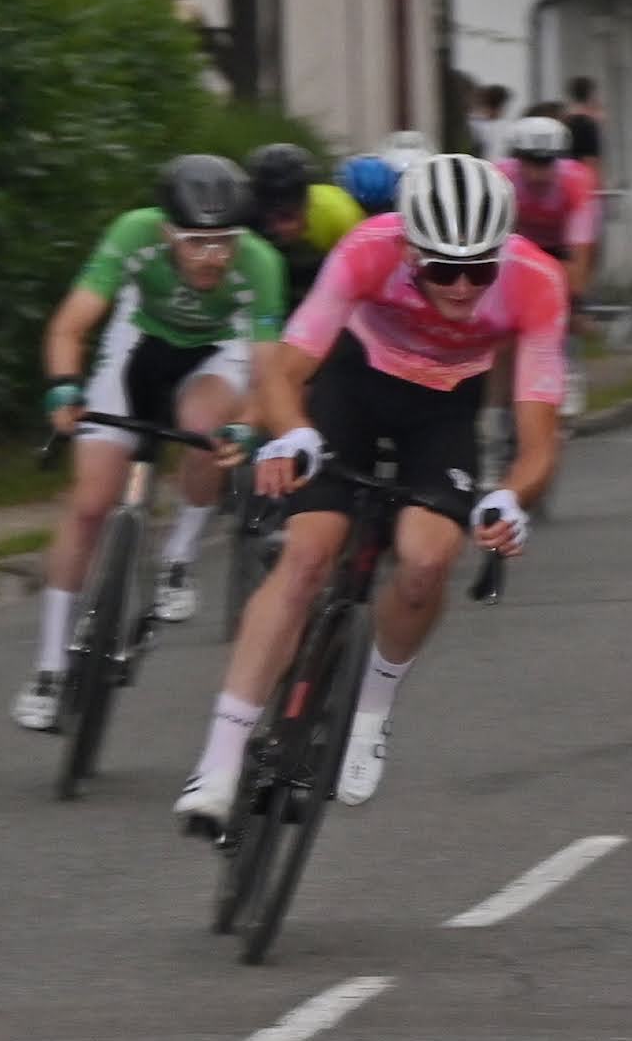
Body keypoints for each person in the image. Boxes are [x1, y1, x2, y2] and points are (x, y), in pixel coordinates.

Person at [176, 154, 566, 829]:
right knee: (307, 557)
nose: (462, 286)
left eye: (479, 270)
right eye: (442, 269)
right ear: (409, 248)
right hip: (357, 384)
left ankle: (370, 715)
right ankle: (218, 762)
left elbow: (538, 440)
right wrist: (295, 434)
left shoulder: (535, 282)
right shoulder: (368, 248)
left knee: (425, 563)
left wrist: (508, 497)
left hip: (446, 405)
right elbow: (285, 371)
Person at [18, 155, 281, 730]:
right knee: (90, 504)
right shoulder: (133, 233)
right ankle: (48, 669)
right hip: (141, 343)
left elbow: (270, 373)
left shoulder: (260, 263)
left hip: (216, 354)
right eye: (195, 243)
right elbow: (69, 325)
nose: (212, 257)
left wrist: (246, 425)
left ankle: (178, 558)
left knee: (205, 430)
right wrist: (64, 388)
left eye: (224, 243)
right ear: (166, 232)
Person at [241, 140, 359, 316]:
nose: (279, 228)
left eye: (287, 216)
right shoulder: (243, 215)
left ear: (307, 201)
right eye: (270, 217)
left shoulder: (339, 215)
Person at [503, 112, 597, 307]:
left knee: (569, 291)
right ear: (518, 158)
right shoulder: (501, 175)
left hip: (562, 246)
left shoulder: (576, 180)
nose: (538, 171)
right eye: (531, 160)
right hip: (520, 243)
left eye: (547, 162)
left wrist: (575, 298)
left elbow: (581, 249)